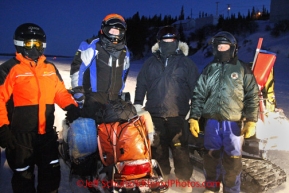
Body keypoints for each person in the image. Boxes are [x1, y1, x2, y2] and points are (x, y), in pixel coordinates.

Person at [0, 23, 79, 193]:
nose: (34, 48)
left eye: (38, 44)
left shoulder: (50, 69)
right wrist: (2, 128)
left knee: (51, 175)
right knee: (23, 178)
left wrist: (71, 106)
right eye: (30, 44)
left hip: (47, 136)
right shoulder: (9, 69)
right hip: (21, 137)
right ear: (20, 43)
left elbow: (60, 92)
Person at [188, 31, 259, 193]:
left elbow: (252, 95)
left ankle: (232, 190)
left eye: (225, 46)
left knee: (232, 161)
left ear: (233, 48)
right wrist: (194, 117)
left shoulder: (242, 69)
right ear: (214, 49)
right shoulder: (209, 69)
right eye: (218, 46)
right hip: (212, 122)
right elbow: (198, 94)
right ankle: (211, 188)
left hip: (233, 123)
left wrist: (251, 120)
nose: (222, 49)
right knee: (210, 159)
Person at [134, 26, 199, 192]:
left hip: (178, 114)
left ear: (177, 41)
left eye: (171, 40)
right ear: (159, 42)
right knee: (158, 150)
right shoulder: (150, 63)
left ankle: (183, 181)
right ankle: (163, 178)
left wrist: (195, 109)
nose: (168, 43)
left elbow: (196, 88)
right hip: (154, 115)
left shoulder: (186, 63)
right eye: (165, 40)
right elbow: (141, 83)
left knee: (180, 151)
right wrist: (138, 103)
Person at [70, 13, 131, 122]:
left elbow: (124, 73)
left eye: (118, 31)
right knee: (91, 132)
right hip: (93, 98)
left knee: (114, 133)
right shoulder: (91, 44)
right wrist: (78, 90)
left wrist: (120, 92)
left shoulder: (124, 51)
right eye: (112, 31)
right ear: (104, 29)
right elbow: (78, 67)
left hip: (114, 99)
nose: (115, 34)